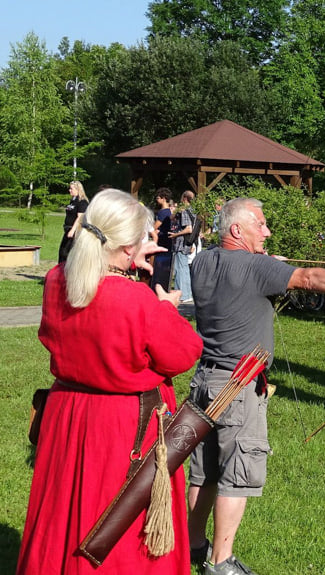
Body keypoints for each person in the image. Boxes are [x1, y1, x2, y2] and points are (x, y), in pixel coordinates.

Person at [186, 197, 325, 575]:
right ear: (237, 230)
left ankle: (194, 546)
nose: (267, 231)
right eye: (260, 225)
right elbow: (309, 278)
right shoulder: (254, 266)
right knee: (237, 472)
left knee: (204, 471)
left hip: (204, 380)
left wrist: (266, 265)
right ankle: (221, 562)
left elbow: (241, 275)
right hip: (238, 385)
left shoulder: (203, 262)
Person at [18, 189, 202, 574]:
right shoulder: (136, 300)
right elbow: (184, 352)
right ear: (129, 245)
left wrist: (130, 269)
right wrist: (165, 307)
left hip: (68, 417)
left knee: (64, 517)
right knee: (121, 531)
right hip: (122, 428)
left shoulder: (57, 282)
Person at [168, 189, 195, 303]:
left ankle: (183, 294)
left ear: (184, 198)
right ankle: (185, 292)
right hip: (187, 243)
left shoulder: (184, 211)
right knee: (182, 268)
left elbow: (188, 228)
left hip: (181, 243)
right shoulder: (192, 210)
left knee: (181, 269)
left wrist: (176, 234)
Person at [58, 180, 89, 262]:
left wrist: (72, 230)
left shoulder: (82, 202)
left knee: (66, 253)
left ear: (78, 189)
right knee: (62, 252)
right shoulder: (73, 201)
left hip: (75, 230)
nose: (69, 190)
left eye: (71, 189)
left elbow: (80, 217)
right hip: (67, 229)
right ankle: (60, 272)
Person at [149, 187, 173, 292]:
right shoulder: (170, 212)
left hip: (162, 240)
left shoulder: (163, 213)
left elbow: (155, 226)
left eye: (158, 198)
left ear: (163, 198)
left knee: (159, 263)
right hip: (168, 240)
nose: (156, 200)